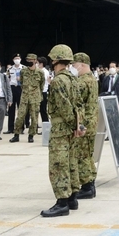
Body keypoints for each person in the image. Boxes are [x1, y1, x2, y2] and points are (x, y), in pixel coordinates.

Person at [40, 44, 83, 218]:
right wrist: (79, 126)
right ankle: (72, 198)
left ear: (57, 60)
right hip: (72, 129)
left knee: (58, 165)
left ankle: (62, 203)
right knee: (71, 162)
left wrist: (73, 124)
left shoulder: (58, 80)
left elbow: (65, 108)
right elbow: (79, 104)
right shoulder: (73, 79)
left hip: (61, 129)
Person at [72, 53, 97, 199]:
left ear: (82, 64)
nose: (73, 69)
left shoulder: (82, 82)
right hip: (91, 122)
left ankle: (87, 186)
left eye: (74, 66)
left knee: (82, 155)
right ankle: (90, 184)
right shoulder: (92, 79)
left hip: (84, 124)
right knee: (87, 154)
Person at [11, 54, 41, 143]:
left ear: (35, 60)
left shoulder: (40, 72)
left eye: (31, 60)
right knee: (20, 117)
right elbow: (22, 83)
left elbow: (41, 85)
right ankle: (16, 134)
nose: (29, 62)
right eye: (28, 60)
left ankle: (31, 135)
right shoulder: (23, 71)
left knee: (34, 118)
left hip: (35, 98)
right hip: (24, 98)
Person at [4, 54, 22, 134]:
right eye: (15, 58)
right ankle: (10, 128)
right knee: (11, 109)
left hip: (21, 88)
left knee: (21, 109)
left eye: (18, 58)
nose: (17, 60)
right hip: (12, 88)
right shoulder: (9, 69)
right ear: (13, 60)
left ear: (20, 59)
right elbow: (6, 80)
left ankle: (20, 128)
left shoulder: (24, 68)